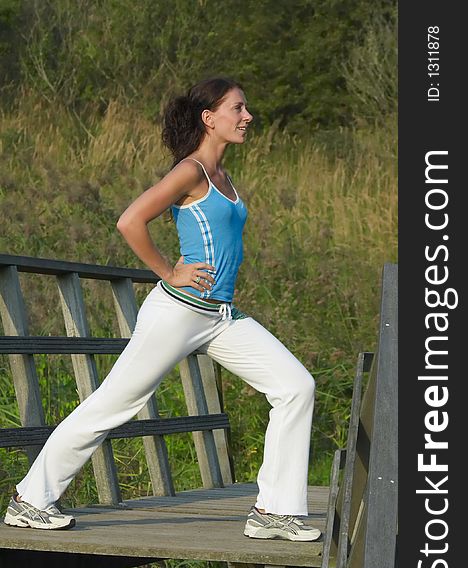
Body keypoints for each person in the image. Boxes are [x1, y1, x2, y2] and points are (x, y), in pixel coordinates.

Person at [3, 77, 320, 542]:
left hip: (221, 317)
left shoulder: (224, 177)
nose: (247, 116)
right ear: (209, 118)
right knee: (115, 404)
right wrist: (168, 270)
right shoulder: (189, 172)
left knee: (296, 386)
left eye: (245, 108)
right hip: (178, 312)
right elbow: (130, 220)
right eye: (238, 108)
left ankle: (274, 510)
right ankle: (30, 499)